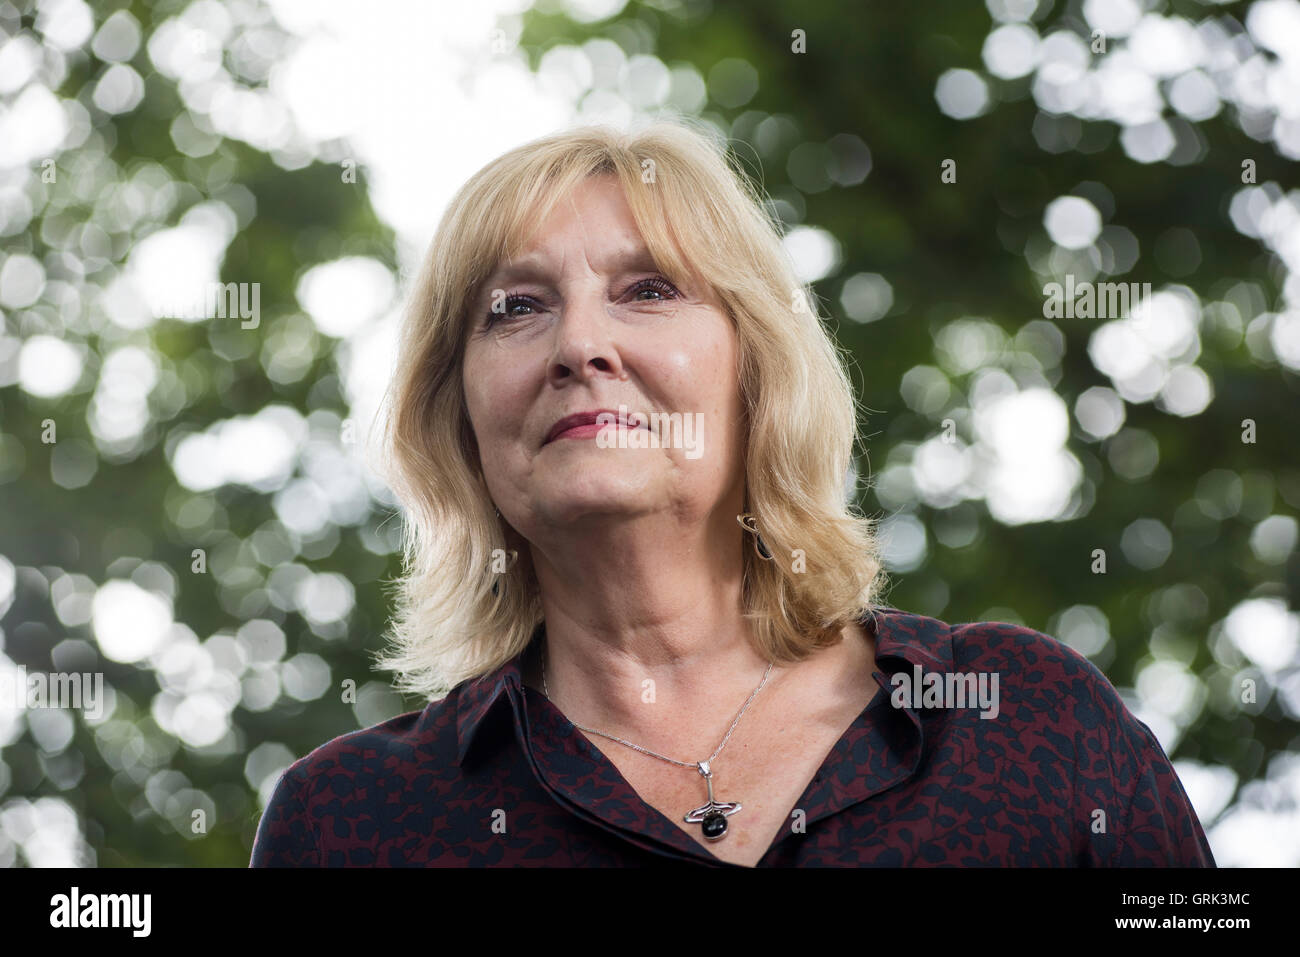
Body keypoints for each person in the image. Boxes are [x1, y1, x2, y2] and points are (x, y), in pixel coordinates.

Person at [250, 118, 1214, 867]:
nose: (581, 345)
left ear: (757, 373)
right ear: (457, 411)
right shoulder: (348, 824)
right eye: (516, 308)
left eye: (650, 289)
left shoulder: (1025, 720)